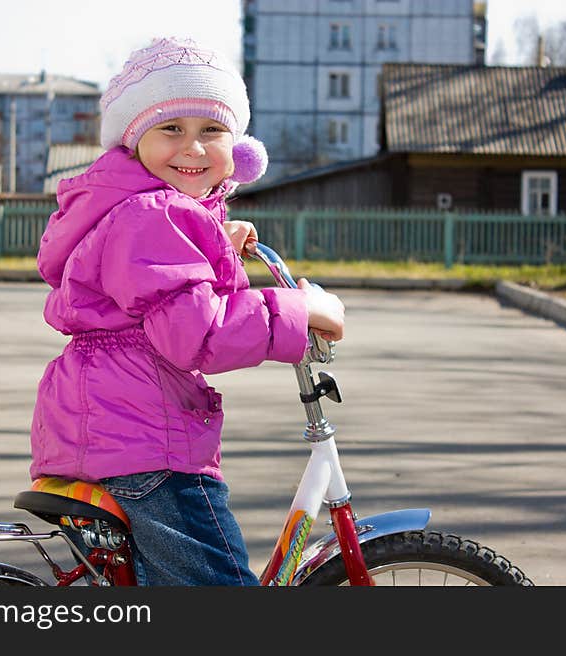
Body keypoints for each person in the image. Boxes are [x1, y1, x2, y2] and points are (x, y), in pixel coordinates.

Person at [29, 36, 345, 585]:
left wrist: (214, 240)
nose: (193, 148)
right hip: (145, 445)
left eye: (212, 131)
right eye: (171, 129)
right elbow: (195, 334)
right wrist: (301, 308)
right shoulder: (156, 214)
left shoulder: (146, 209)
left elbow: (162, 285)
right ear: (134, 139)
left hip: (109, 431)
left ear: (238, 147)